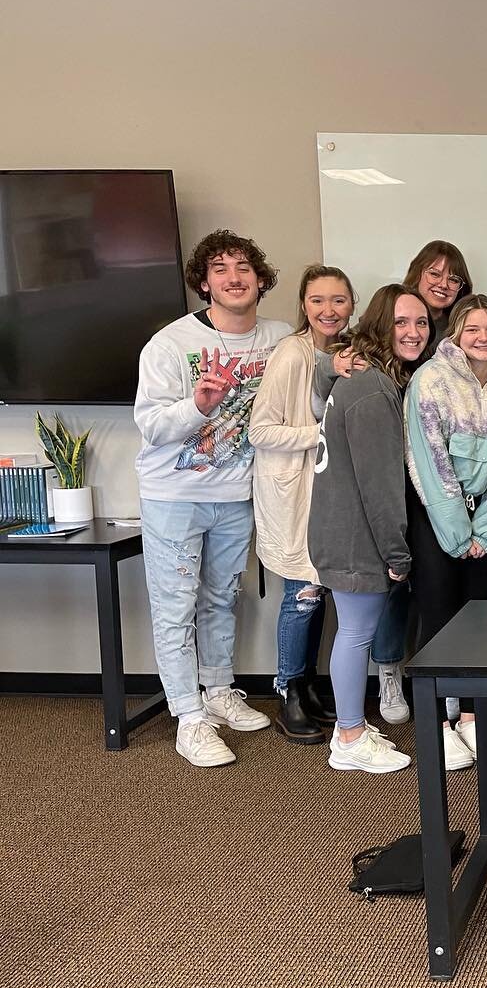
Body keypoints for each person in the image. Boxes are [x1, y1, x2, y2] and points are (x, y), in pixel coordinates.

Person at [134, 230, 289, 768]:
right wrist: (199, 404)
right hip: (175, 494)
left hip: (238, 496)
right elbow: (150, 425)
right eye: (219, 268)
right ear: (205, 283)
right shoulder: (170, 345)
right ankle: (188, 717)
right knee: (174, 608)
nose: (233, 276)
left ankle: (219, 691)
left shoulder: (281, 337)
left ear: (260, 279)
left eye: (243, 265)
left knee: (223, 596)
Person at [406, 294, 487, 766]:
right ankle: (439, 720)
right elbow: (430, 459)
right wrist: (458, 531)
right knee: (439, 614)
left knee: (479, 618)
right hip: (435, 513)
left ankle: (470, 716)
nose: (484, 338)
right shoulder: (430, 380)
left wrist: (484, 530)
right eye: (473, 329)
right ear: (457, 334)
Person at [308, 284, 427, 773]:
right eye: (401, 322)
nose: (414, 332)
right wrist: (398, 555)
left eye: (422, 323)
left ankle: (351, 726)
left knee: (352, 632)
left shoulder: (362, 381)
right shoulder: (373, 390)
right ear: (380, 325)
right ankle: (351, 737)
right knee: (356, 633)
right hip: (356, 535)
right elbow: (380, 486)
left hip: (341, 528)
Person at [250, 265, 362, 745]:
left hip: (329, 495)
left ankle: (309, 687)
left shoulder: (346, 354)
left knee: (319, 592)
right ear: (304, 304)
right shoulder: (290, 355)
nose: (328, 310)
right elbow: (261, 430)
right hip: (293, 493)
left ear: (352, 304)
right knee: (302, 594)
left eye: (338, 300)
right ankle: (288, 690)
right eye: (318, 300)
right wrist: (319, 434)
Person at [401, 241, 472, 359]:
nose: (443, 285)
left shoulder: (461, 326)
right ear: (417, 274)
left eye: (453, 280)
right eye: (435, 274)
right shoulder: (391, 308)